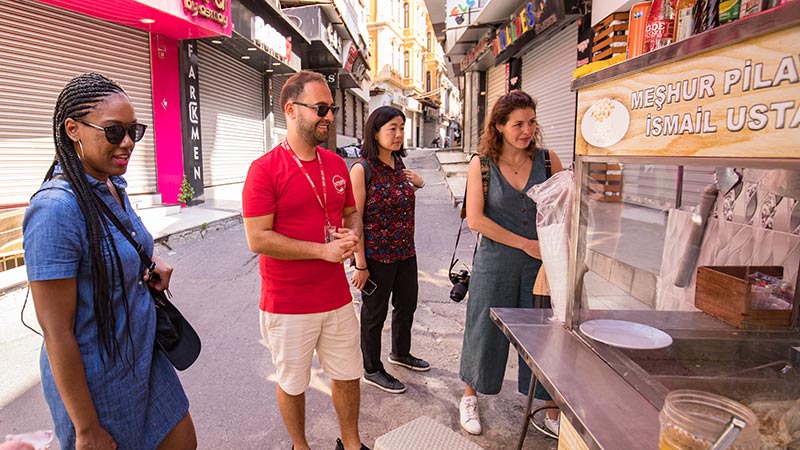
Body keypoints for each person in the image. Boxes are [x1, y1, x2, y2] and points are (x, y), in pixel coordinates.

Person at [22, 73, 196, 450]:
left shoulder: (112, 185)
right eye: (115, 132)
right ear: (73, 130)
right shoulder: (56, 209)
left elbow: (118, 247)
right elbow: (57, 332)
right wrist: (86, 428)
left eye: (135, 130)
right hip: (98, 385)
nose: (129, 142)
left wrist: (148, 262)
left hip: (145, 358)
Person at [242, 70, 370, 450]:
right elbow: (257, 238)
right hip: (288, 304)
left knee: (348, 375)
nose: (329, 116)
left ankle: (350, 443)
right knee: (293, 383)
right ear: (291, 110)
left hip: (336, 298)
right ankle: (301, 446)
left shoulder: (334, 164)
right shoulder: (264, 170)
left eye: (330, 108)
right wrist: (321, 251)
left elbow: (351, 212)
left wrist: (353, 234)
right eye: (321, 108)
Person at [458, 90, 564, 436]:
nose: (526, 130)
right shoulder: (482, 165)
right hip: (495, 261)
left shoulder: (548, 162)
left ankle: (548, 406)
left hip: (540, 267)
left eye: (531, 122)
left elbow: (564, 210)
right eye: (518, 124)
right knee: (483, 329)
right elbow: (475, 220)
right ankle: (470, 395)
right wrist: (524, 243)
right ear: (500, 126)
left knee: (542, 332)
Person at [349, 106, 429, 395]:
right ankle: (372, 368)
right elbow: (354, 218)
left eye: (401, 128)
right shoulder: (362, 169)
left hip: (406, 251)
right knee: (374, 314)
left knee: (407, 305)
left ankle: (401, 353)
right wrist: (360, 264)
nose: (398, 135)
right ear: (375, 132)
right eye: (391, 129)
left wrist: (418, 184)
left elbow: (395, 201)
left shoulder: (399, 165)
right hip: (376, 256)